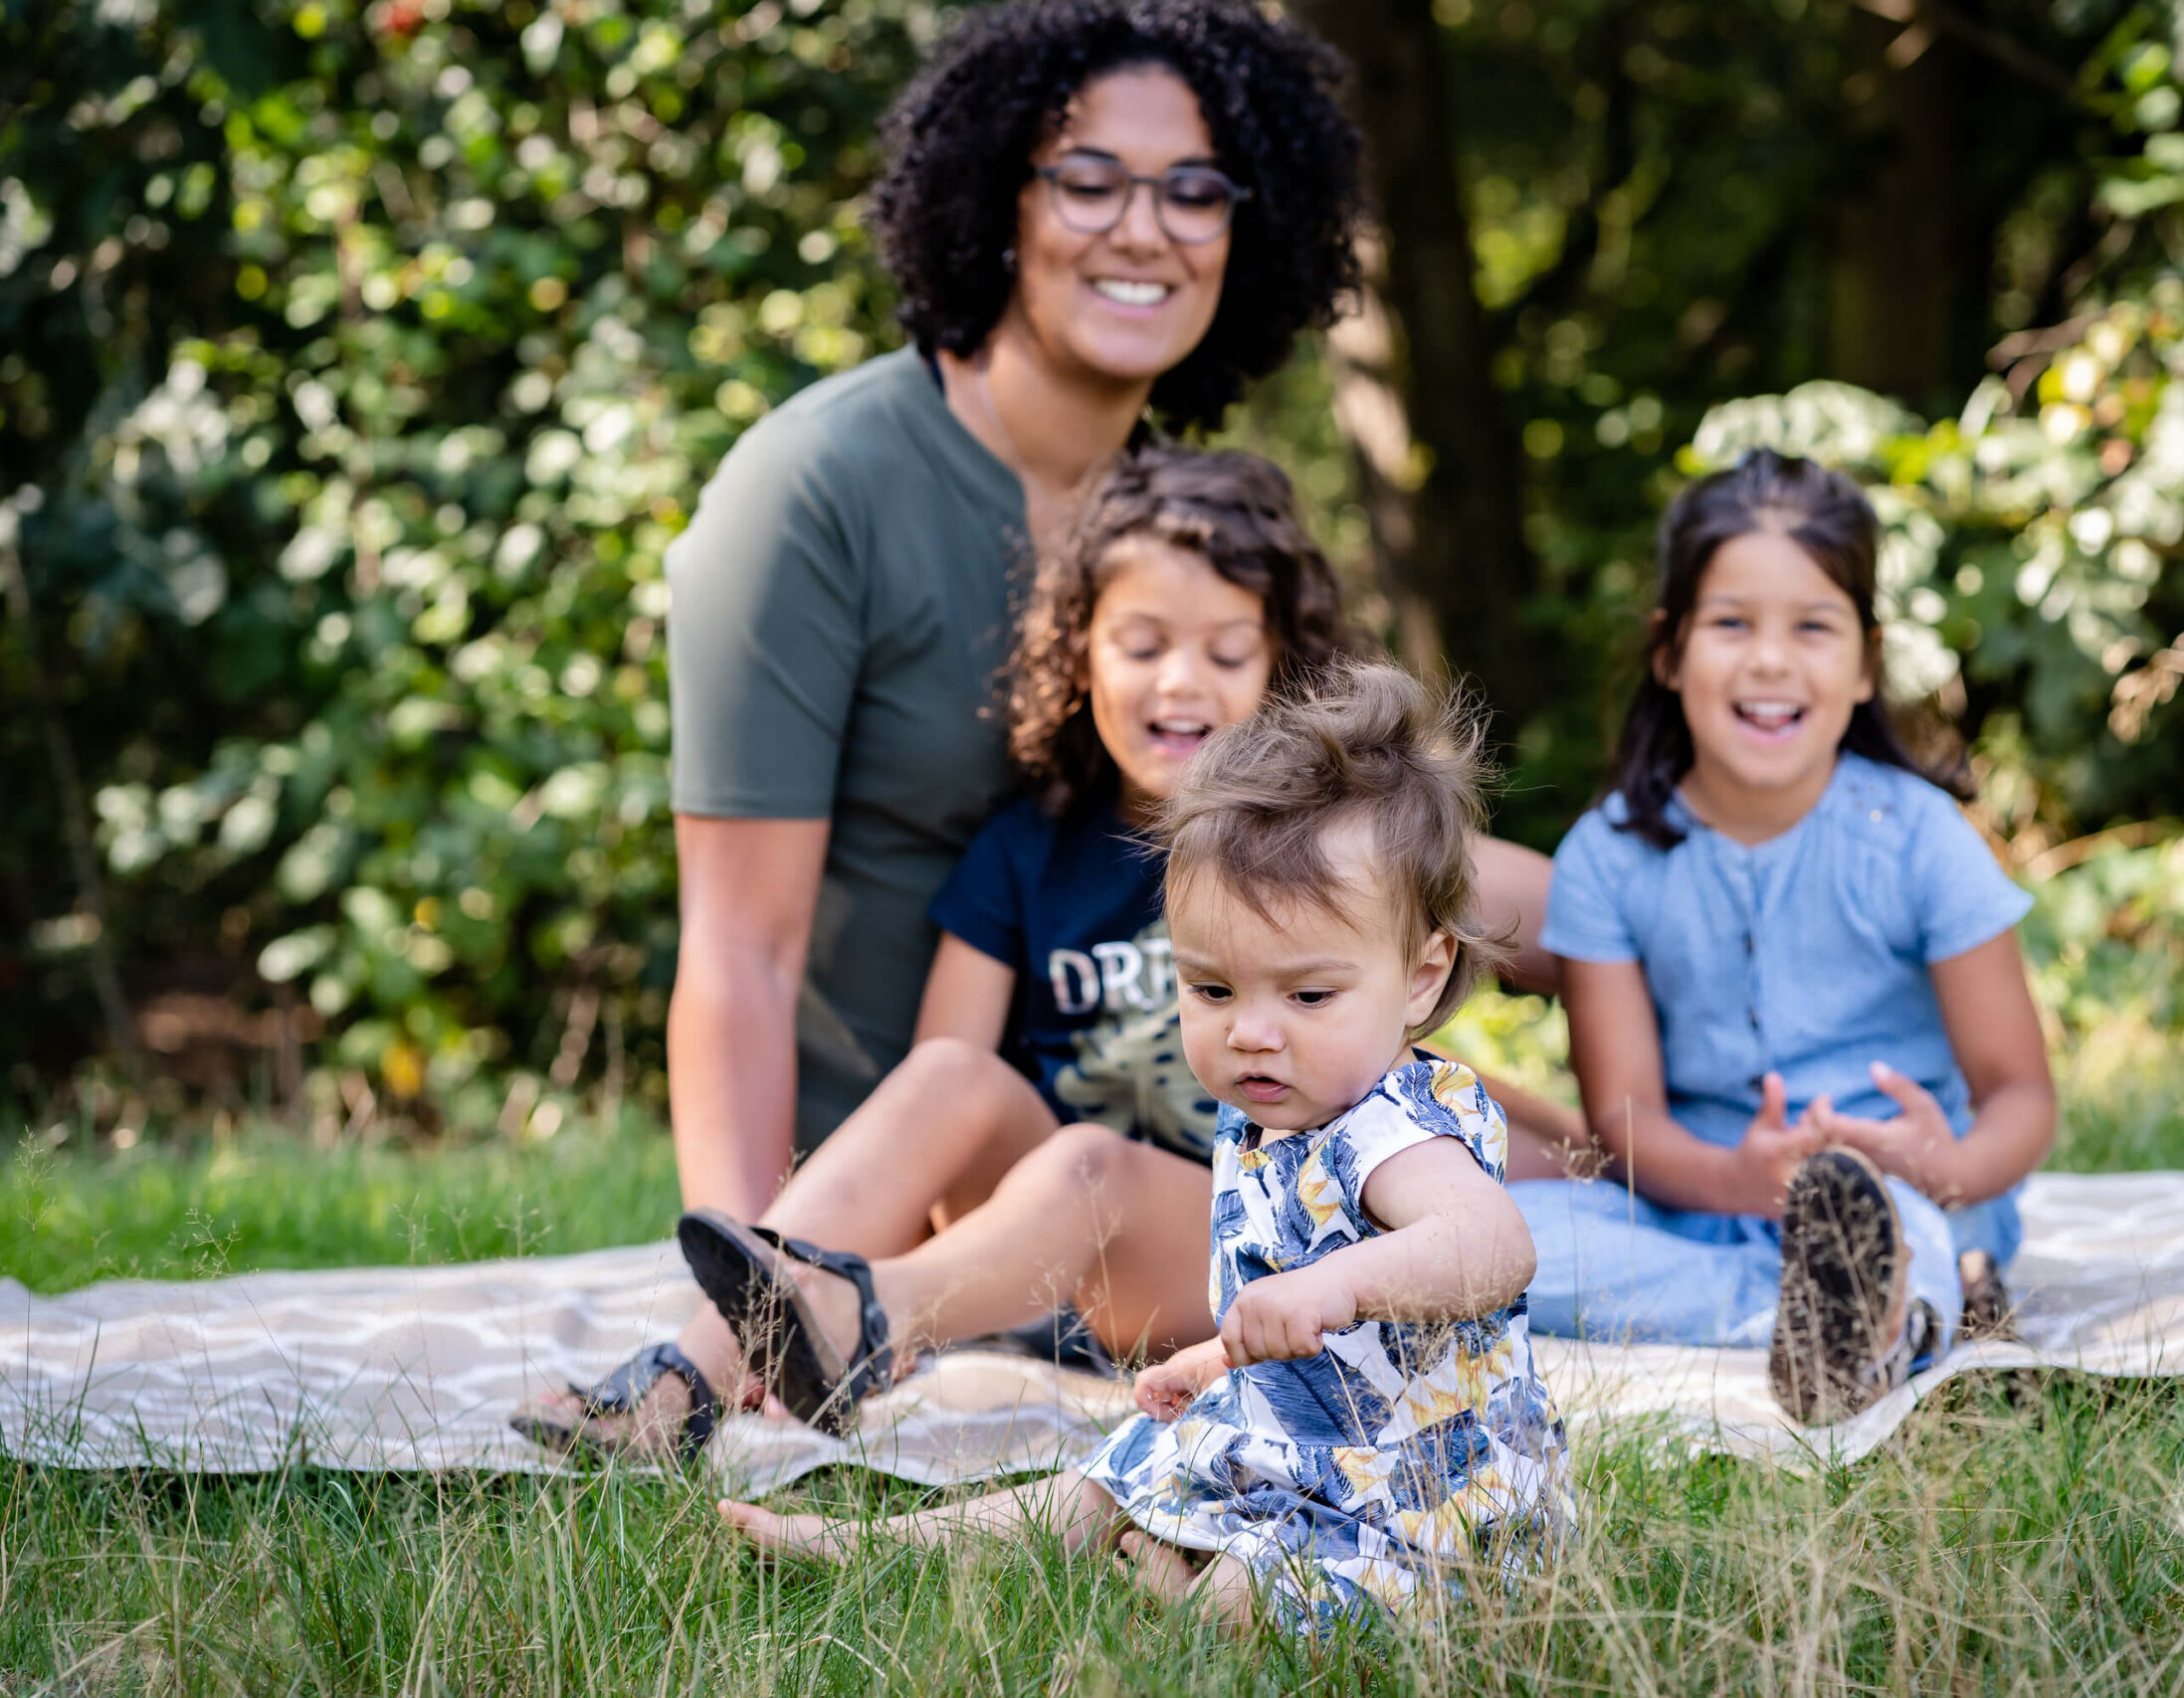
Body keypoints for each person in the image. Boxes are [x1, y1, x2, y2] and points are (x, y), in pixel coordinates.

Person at [662, 0, 1369, 1226]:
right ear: (1000, 204)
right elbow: (739, 952)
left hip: (1171, 1173)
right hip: (885, 1198)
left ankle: (1741, 1187)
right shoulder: (814, 489)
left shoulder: (1189, 536)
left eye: (1195, 190)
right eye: (1088, 181)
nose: (1143, 231)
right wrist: (754, 1291)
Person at [514, 447, 1343, 1460]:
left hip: (1237, 1253)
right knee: (957, 1075)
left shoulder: (1316, 850)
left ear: (1279, 669)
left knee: (1090, 1164)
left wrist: (1576, 1133)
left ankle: (858, 1322)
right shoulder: (1023, 850)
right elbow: (939, 1103)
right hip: (1039, 1265)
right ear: (1081, 653)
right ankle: (700, 1372)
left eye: (1226, 653)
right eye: (1141, 643)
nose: (1182, 681)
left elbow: (1511, 931)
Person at [713, 663, 1572, 1634]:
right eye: (1212, 990)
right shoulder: (1273, 1115)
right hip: (1301, 1446)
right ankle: (880, 1550)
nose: (1252, 1031)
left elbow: (1493, 1244)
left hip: (1413, 1497)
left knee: (1257, 1599)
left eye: (1307, 995)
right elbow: (1301, 1303)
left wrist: (1332, 1290)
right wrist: (1216, 1360)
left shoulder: (1390, 1128)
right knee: (1106, 1477)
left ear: (1419, 981)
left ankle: (1188, 1588)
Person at [1506, 449, 2057, 1423]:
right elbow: (1626, 1127)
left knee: (1913, 1235)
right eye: (1730, 625)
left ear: (1864, 665)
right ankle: (1848, 1319)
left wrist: (1949, 1166)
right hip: (1699, 1209)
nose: (1768, 661)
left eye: (1811, 626)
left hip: (1907, 1196)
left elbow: (2018, 1094)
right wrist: (1737, 1178)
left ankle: (1894, 1291)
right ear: (1668, 652)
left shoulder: (1919, 838)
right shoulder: (1607, 858)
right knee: (1497, 1241)